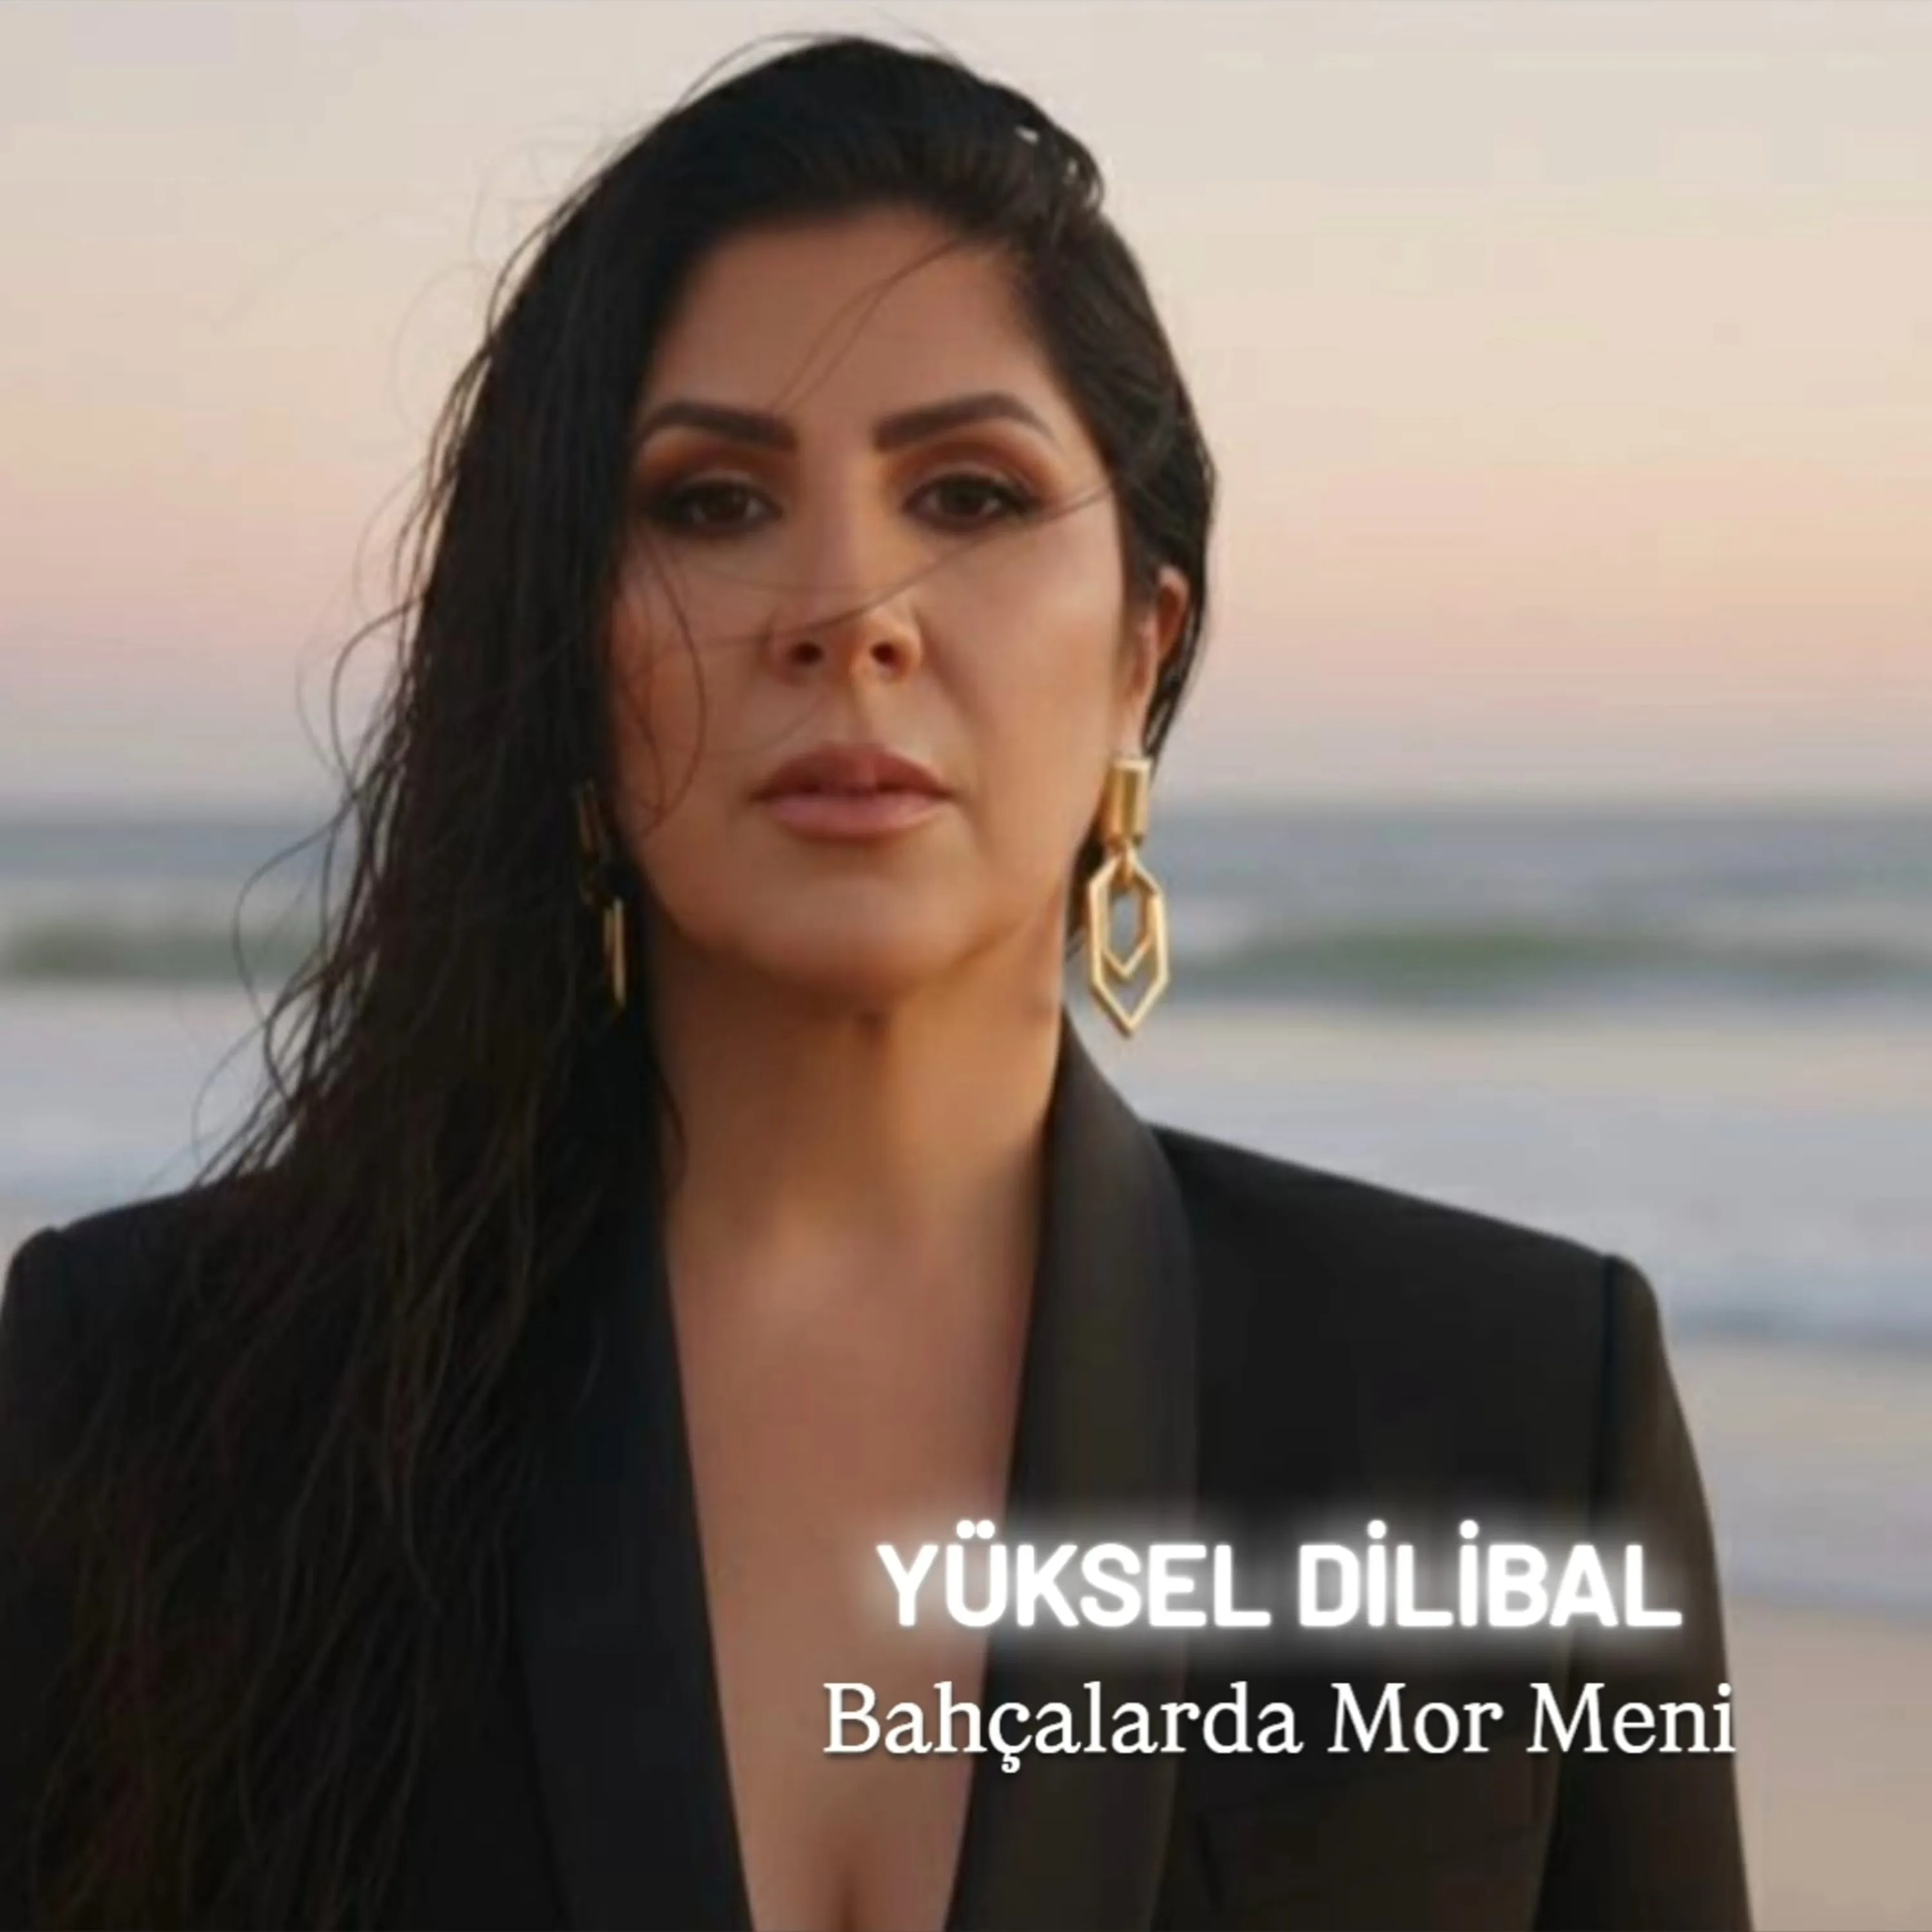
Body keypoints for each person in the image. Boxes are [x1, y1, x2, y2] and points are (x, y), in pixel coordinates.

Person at [0, 33, 1750, 1932]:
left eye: (972, 496)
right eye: (711, 502)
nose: (850, 610)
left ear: (1142, 647)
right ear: (564, 646)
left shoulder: (1513, 1413)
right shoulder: (154, 1392)